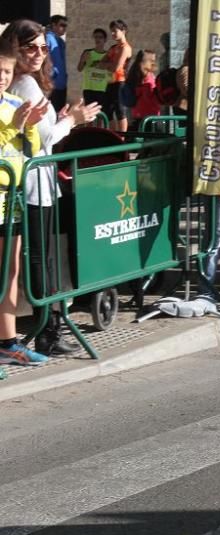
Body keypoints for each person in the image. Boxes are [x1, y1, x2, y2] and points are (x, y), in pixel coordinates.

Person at [4, 19, 101, 356]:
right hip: (31, 185)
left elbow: (38, 134)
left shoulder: (23, 82)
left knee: (36, 261)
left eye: (43, 48)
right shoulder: (24, 83)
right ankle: (47, 331)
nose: (38, 54)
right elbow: (44, 138)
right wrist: (72, 121)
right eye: (30, 47)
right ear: (13, 46)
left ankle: (44, 329)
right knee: (37, 262)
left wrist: (61, 120)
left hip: (34, 183)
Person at [0, 40, 48, 371]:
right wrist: (16, 126)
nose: (2, 77)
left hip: (12, 200)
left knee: (10, 272)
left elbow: (30, 148)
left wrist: (30, 126)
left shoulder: (16, 101)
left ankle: (8, 343)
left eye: (5, 71)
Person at [100, 19, 131, 132]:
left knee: (120, 111)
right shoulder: (113, 48)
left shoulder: (125, 48)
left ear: (123, 31)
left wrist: (107, 64)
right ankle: (113, 135)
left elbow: (116, 67)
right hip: (110, 82)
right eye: (111, 31)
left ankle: (122, 138)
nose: (112, 34)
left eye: (115, 31)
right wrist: (109, 64)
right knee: (107, 110)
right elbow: (100, 63)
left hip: (120, 82)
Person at [125, 50, 160, 127]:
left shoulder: (138, 75)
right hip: (147, 115)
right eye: (152, 61)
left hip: (140, 114)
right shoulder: (144, 78)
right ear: (145, 62)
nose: (154, 63)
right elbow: (147, 96)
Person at [77, 28, 109, 110]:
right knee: (89, 115)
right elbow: (79, 69)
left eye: (100, 37)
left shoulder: (109, 55)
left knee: (100, 114)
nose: (98, 39)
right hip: (89, 88)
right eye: (96, 37)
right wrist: (83, 61)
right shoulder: (87, 52)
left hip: (102, 89)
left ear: (105, 40)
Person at [45, 15, 68, 111]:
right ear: (53, 25)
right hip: (52, 83)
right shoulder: (48, 38)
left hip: (62, 83)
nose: (64, 28)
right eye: (62, 25)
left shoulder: (61, 41)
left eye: (66, 26)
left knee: (60, 111)